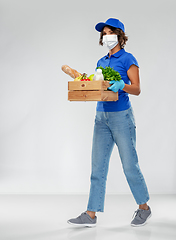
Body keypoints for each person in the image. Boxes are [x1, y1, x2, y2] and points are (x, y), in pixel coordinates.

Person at [67, 18, 152, 227]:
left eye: (109, 32)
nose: (106, 36)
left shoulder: (128, 58)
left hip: (122, 117)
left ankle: (144, 208)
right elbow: (101, 89)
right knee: (97, 168)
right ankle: (90, 214)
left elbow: (137, 89)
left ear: (120, 35)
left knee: (130, 166)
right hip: (101, 118)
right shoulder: (101, 62)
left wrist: (122, 85)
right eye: (103, 33)